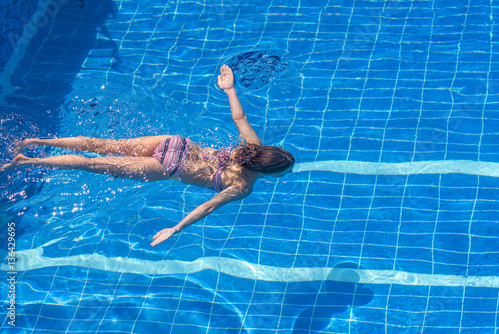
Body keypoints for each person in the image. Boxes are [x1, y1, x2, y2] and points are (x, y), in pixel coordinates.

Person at [1, 65, 295, 246]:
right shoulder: (243, 187)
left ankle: (33, 140)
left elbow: (239, 117)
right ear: (268, 171)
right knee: (91, 164)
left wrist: (230, 90)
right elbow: (208, 207)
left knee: (100, 144)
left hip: (176, 143)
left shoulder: (253, 146)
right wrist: (176, 228)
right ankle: (29, 161)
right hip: (169, 165)